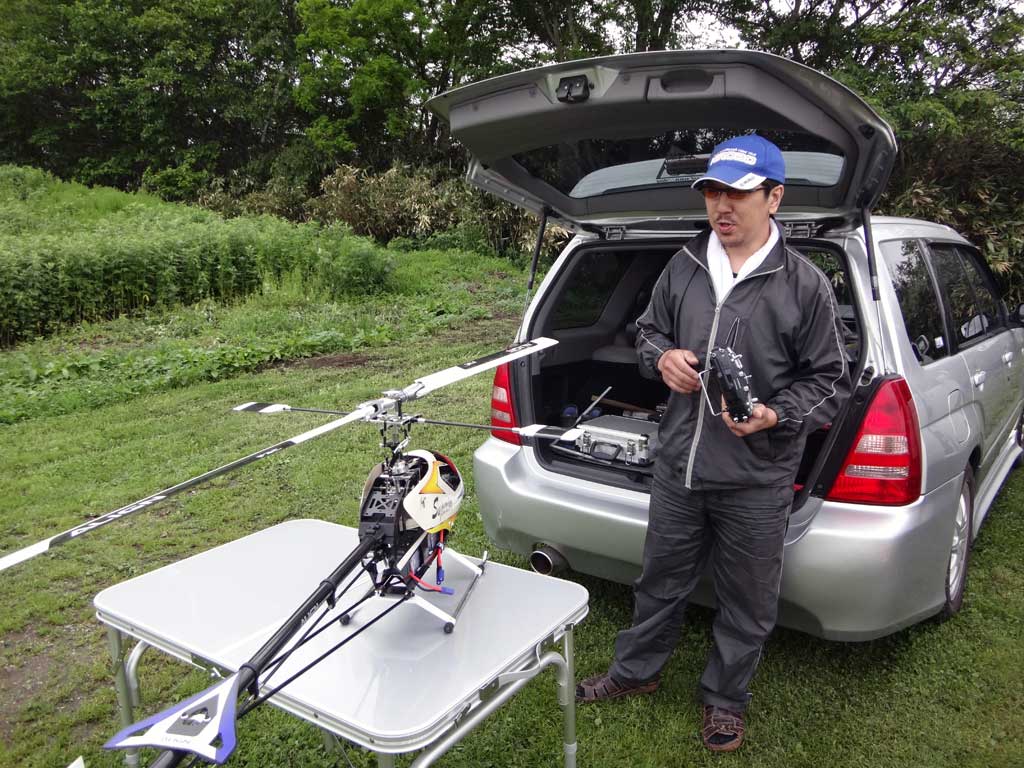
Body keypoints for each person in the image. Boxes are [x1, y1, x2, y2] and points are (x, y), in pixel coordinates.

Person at [575, 134, 850, 752]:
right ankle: (635, 673)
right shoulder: (685, 265)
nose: (722, 207)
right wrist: (662, 357)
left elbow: (831, 381)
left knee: (747, 600)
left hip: (757, 475)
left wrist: (775, 414)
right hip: (680, 465)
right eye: (713, 193)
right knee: (659, 581)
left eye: (739, 194)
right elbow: (648, 331)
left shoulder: (804, 284)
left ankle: (725, 700)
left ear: (774, 198)